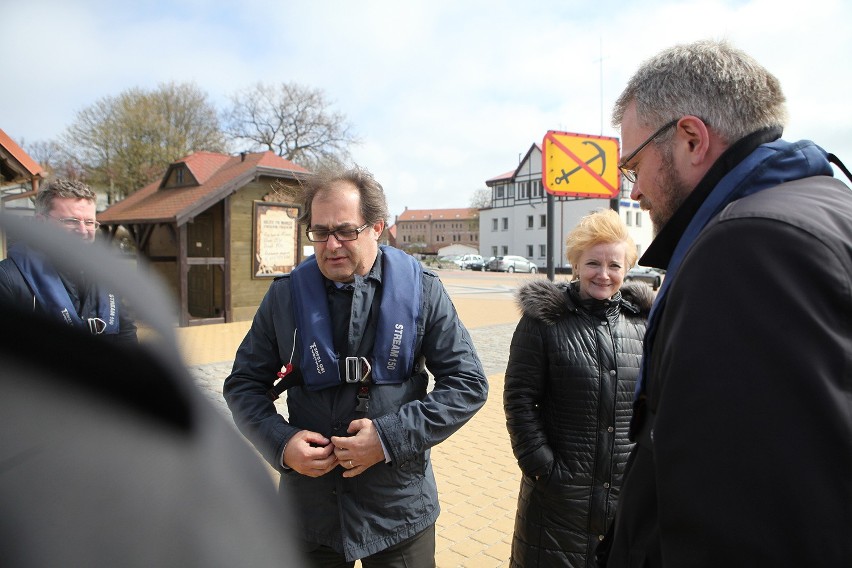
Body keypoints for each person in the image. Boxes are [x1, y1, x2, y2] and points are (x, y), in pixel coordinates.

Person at [602, 40, 852, 566]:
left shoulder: (751, 247)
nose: (634, 190)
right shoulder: (824, 206)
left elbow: (753, 519)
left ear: (691, 139)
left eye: (633, 165)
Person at [223, 165, 488, 567]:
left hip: (399, 512)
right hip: (310, 515)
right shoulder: (285, 298)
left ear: (377, 227)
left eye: (346, 231)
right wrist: (281, 443)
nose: (331, 246)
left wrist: (388, 438)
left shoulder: (423, 291)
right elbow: (243, 385)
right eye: (319, 232)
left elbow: (468, 384)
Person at [504, 209, 653, 568]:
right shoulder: (545, 319)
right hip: (557, 503)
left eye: (614, 265)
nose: (604, 274)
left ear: (627, 268)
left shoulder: (642, 324)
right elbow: (519, 400)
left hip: (622, 500)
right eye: (593, 263)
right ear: (575, 263)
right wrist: (544, 470)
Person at [0, 178, 137, 344]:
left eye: (89, 223)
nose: (82, 231)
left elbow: (127, 339)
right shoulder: (8, 279)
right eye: (71, 221)